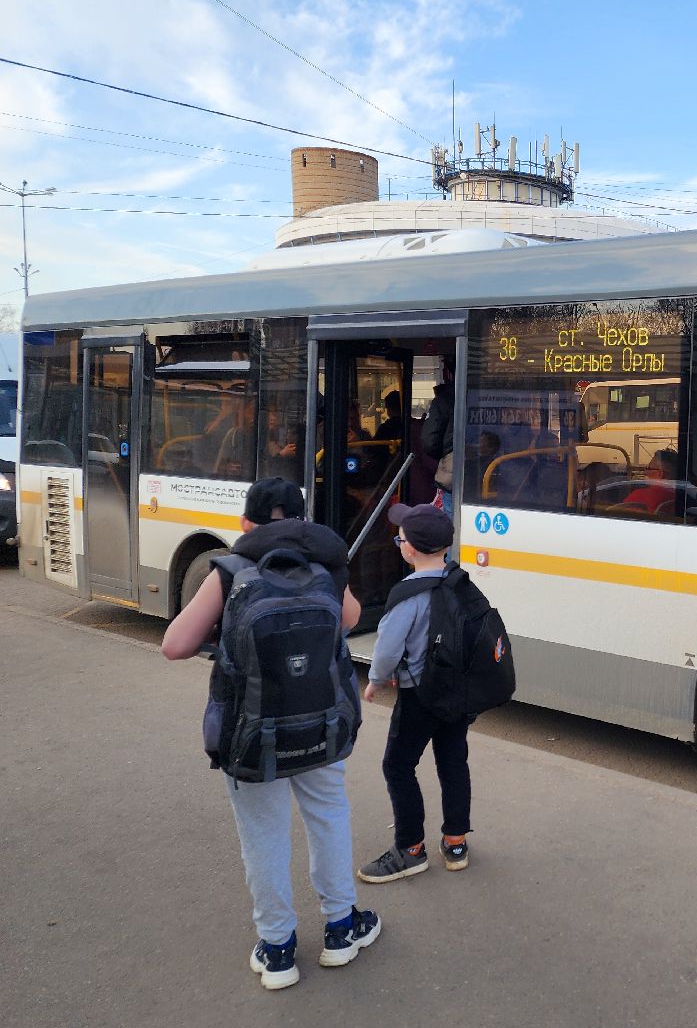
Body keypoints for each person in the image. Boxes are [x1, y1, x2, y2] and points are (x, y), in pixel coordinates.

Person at [160, 478, 380, 991]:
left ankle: (277, 949)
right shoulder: (325, 564)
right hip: (322, 724)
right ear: (301, 520)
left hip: (252, 733)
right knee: (329, 817)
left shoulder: (231, 569)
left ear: (245, 523)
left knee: (264, 835)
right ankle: (342, 929)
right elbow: (348, 619)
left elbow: (174, 646)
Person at [359, 503, 474, 882]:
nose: (399, 542)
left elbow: (389, 649)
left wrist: (375, 680)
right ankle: (455, 843)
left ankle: (410, 849)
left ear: (409, 549)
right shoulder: (461, 582)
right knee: (453, 763)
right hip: (458, 694)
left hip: (419, 696)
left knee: (398, 765)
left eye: (400, 537)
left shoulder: (407, 594)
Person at [422, 358, 456, 517]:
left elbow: (430, 442)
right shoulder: (485, 395)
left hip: (453, 476)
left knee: (452, 528)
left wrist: (445, 453)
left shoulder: (444, 400)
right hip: (490, 475)